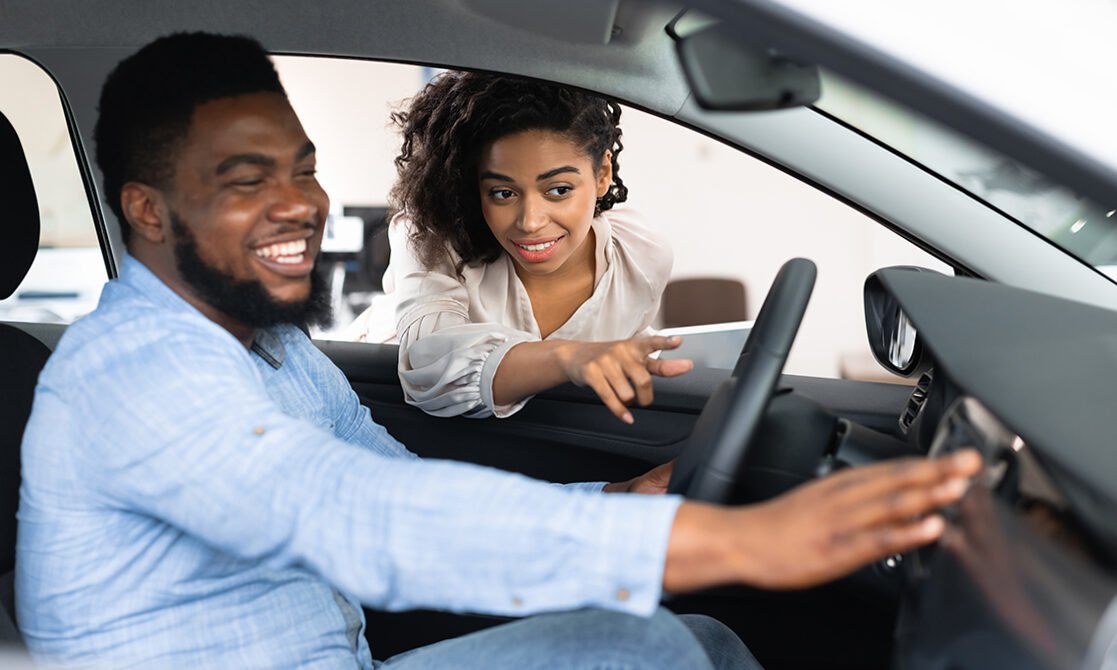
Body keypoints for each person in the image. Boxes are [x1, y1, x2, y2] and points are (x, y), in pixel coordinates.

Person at [15, 32, 981, 669]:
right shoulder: (130, 371)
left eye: (303, 172)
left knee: (687, 641)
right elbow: (364, 516)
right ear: (145, 210)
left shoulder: (271, 349)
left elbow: (389, 472)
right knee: (660, 652)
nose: (297, 207)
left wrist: (610, 499)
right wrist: (726, 540)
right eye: (243, 179)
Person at [345, 71, 692, 423]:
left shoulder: (640, 256)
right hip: (372, 412)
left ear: (602, 173)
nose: (530, 221)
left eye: (559, 190)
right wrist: (565, 357)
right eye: (503, 193)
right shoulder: (429, 240)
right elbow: (432, 369)